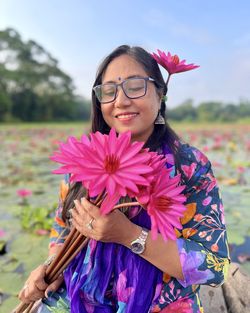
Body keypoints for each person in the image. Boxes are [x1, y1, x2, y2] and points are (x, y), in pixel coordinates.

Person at [19, 45, 230, 313]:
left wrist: (129, 234)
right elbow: (62, 227)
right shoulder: (85, 158)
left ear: (161, 92)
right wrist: (52, 266)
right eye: (109, 91)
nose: (120, 101)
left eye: (135, 85)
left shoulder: (190, 167)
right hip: (75, 296)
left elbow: (215, 266)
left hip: (161, 305)